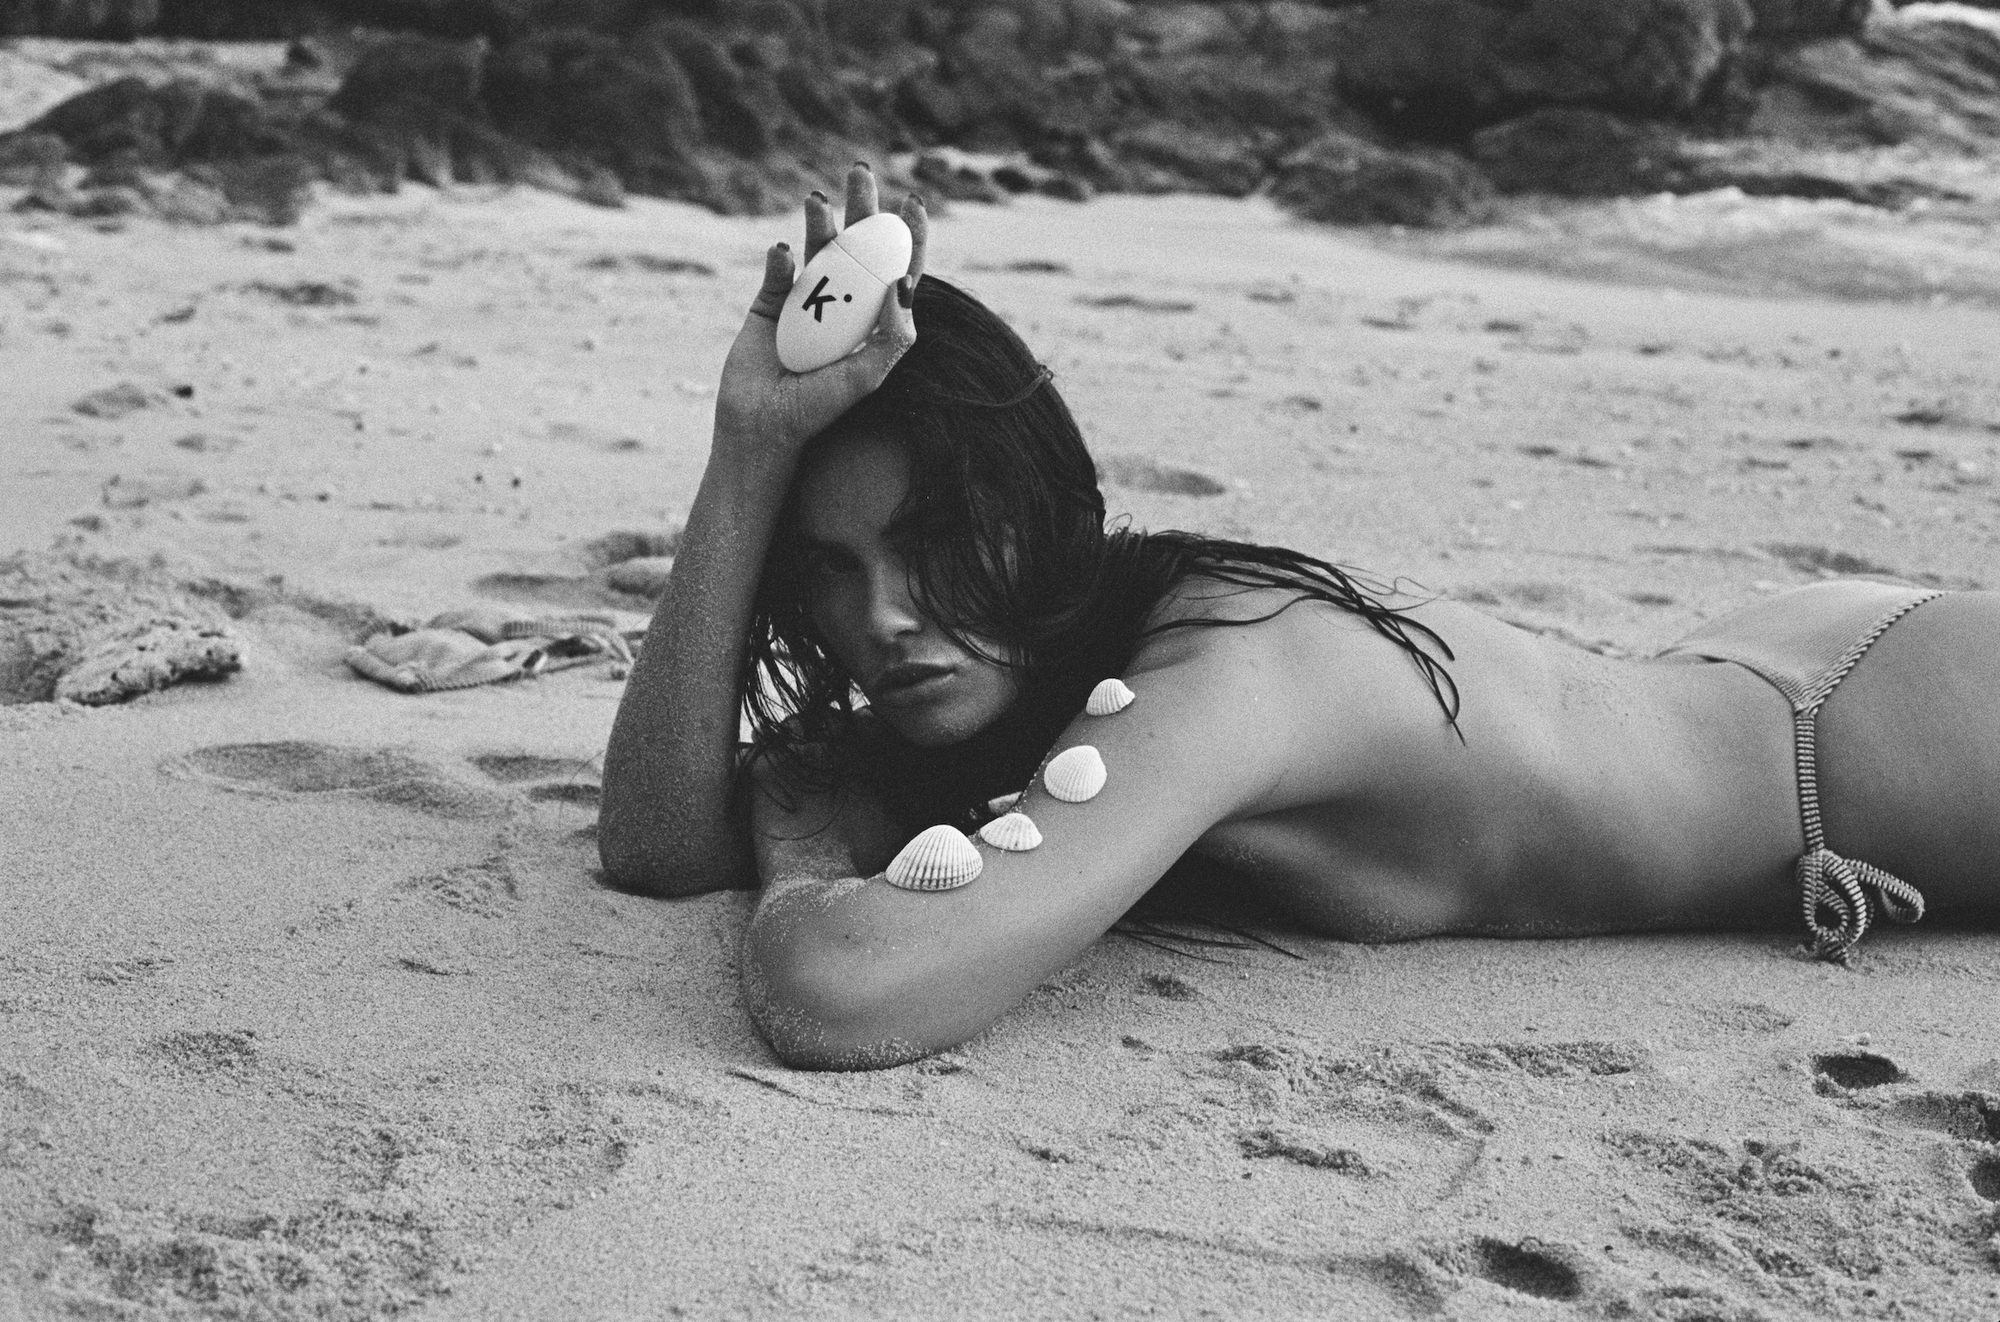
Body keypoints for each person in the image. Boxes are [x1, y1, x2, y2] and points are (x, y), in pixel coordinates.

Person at [601, 166, 2000, 1071]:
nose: (884, 617)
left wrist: (802, 833)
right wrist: (746, 456)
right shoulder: (1033, 676)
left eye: (931, 544)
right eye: (826, 572)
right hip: (1753, 659)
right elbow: (659, 843)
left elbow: (845, 990)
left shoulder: (1224, 667)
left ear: (1038, 511)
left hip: (1883, 734)